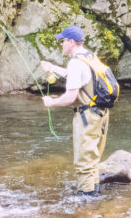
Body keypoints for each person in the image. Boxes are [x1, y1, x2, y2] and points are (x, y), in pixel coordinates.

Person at [39, 25, 109, 197]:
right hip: (101, 114)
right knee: (92, 160)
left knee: (84, 162)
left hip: (87, 117)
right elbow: (77, 77)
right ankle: (93, 195)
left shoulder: (76, 63)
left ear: (71, 42)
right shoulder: (89, 56)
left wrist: (51, 102)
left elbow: (70, 98)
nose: (61, 44)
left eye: (63, 41)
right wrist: (53, 68)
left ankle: (85, 204)